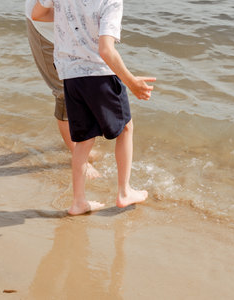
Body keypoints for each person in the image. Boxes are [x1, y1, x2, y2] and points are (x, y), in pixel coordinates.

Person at [32, 0, 155, 215]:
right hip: (99, 74)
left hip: (70, 74)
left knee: (83, 139)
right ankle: (124, 191)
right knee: (125, 128)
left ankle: (78, 202)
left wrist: (68, 17)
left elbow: (37, 14)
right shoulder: (110, 1)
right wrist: (131, 82)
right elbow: (106, 50)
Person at [25, 0, 99, 179]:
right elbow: (39, 14)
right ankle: (78, 156)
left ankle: (79, 148)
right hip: (45, 29)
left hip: (68, 30)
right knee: (64, 93)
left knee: (82, 86)